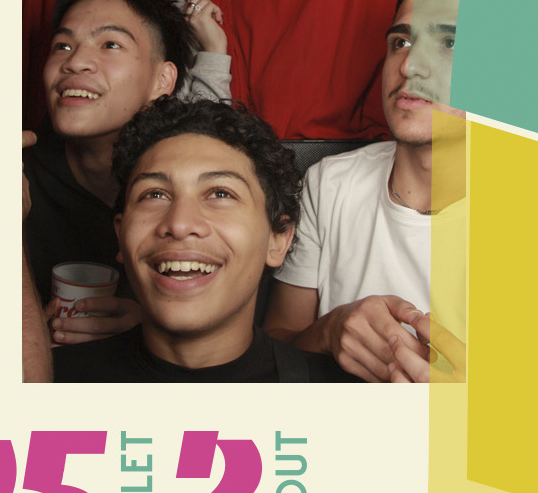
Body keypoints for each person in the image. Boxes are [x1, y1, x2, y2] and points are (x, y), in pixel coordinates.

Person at [264, 0, 467, 385]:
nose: (409, 66)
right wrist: (330, 332)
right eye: (402, 42)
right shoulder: (329, 184)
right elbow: (275, 345)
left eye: (449, 42)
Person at [46, 98, 351, 382]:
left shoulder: (337, 395)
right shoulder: (48, 379)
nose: (179, 224)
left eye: (220, 193)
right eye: (154, 194)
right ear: (120, 233)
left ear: (278, 240)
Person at [23, 0, 229, 338]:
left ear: (162, 81)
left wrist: (151, 330)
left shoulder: (191, 193)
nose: (76, 62)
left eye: (110, 44)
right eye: (62, 46)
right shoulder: (18, 176)